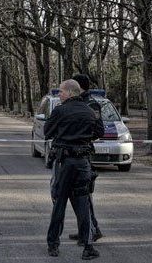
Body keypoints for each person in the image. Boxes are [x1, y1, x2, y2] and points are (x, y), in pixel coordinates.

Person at [45, 79, 104, 260]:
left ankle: (53, 244)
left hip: (64, 163)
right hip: (83, 163)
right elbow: (99, 132)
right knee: (83, 205)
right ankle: (88, 247)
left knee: (59, 203)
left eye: (61, 92)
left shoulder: (60, 110)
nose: (59, 94)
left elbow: (48, 131)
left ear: (70, 92)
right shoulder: (89, 111)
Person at [69, 74, 103, 245]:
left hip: (84, 154)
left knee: (84, 194)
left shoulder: (91, 104)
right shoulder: (77, 103)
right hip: (73, 154)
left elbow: (99, 131)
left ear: (79, 87)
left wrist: (82, 137)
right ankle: (87, 229)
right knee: (77, 195)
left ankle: (90, 231)